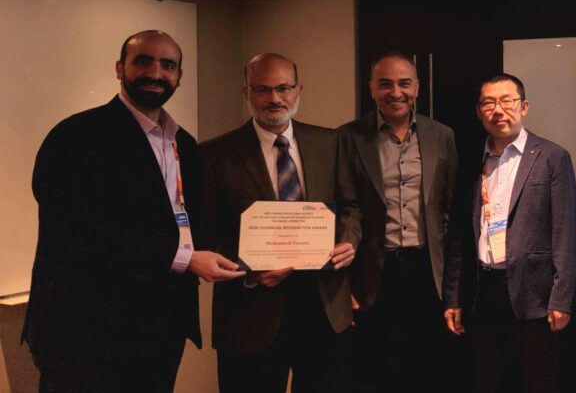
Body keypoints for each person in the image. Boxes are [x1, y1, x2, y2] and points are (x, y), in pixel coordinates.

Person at [23, 30, 245, 392]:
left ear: (179, 76)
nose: (156, 73)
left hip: (161, 325)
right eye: (143, 61)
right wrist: (185, 259)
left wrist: (250, 255)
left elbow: (192, 219)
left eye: (167, 65)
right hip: (87, 331)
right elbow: (76, 231)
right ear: (119, 68)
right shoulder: (77, 136)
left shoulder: (184, 144)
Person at [197, 53, 359, 392]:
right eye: (262, 89)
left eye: (283, 88)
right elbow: (205, 232)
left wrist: (349, 241)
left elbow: (350, 207)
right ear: (247, 93)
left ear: (298, 89)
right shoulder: (215, 154)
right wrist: (251, 268)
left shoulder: (330, 142)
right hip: (251, 312)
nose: (274, 98)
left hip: (323, 307)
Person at [443, 73, 576, 393]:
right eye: (489, 103)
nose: (498, 110)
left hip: (535, 294)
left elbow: (563, 233)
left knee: (537, 380)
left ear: (525, 106)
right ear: (478, 111)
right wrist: (454, 297)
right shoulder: (470, 161)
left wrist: (562, 297)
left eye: (507, 101)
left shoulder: (552, 157)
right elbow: (460, 235)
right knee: (488, 379)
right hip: (483, 290)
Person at [336, 52, 459, 392]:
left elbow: (448, 212)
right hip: (373, 272)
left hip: (426, 269)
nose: (396, 92)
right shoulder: (347, 137)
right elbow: (345, 210)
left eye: (404, 83)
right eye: (385, 84)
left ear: (417, 88)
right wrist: (343, 284)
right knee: (373, 369)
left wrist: (453, 287)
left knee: (425, 367)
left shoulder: (442, 136)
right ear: (372, 89)